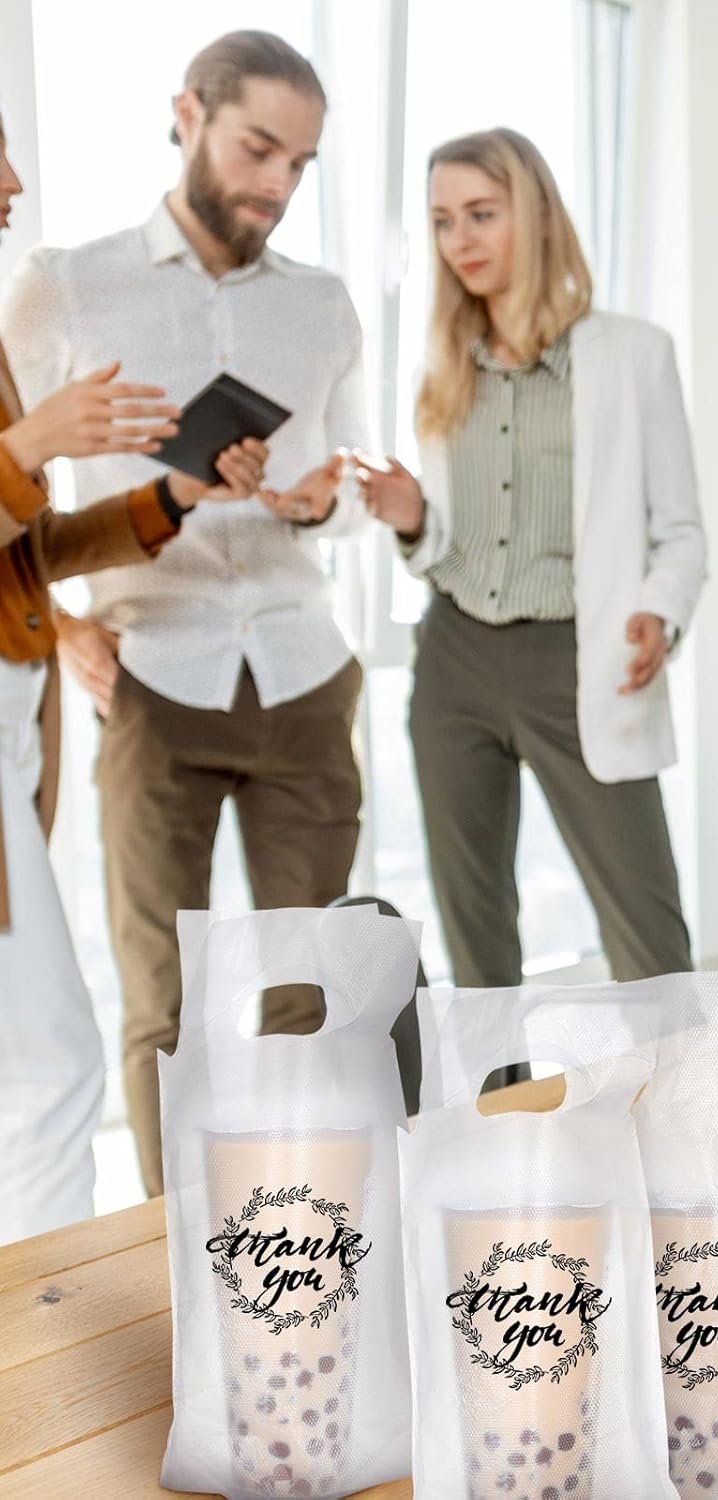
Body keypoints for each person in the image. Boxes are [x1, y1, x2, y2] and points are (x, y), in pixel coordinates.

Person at [0, 31, 372, 1199]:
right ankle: (171, 1256)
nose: (275, 183)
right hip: (152, 677)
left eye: (300, 165)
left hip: (305, 674)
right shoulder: (66, 281)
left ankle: (307, 1241)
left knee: (312, 991)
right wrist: (57, 625)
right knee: (164, 1004)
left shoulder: (323, 305)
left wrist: (322, 505)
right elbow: (14, 495)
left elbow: (348, 493)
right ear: (189, 115)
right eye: (259, 146)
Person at [361, 127, 706, 1008]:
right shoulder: (439, 368)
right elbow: (446, 543)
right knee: (475, 934)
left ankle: (694, 1123)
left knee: (649, 937)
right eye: (442, 221)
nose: (460, 240)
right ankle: (496, 1127)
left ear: (537, 216)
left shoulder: (633, 355)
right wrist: (411, 522)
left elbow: (682, 532)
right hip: (455, 661)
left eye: (482, 213)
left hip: (578, 658)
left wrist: (658, 615)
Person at [0, 115, 267, 1241]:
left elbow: (25, 554)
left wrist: (170, 501)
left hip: (18, 721)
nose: (14, 179)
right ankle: (39, 1338)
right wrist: (25, 449)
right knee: (53, 1067)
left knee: (37, 1059)